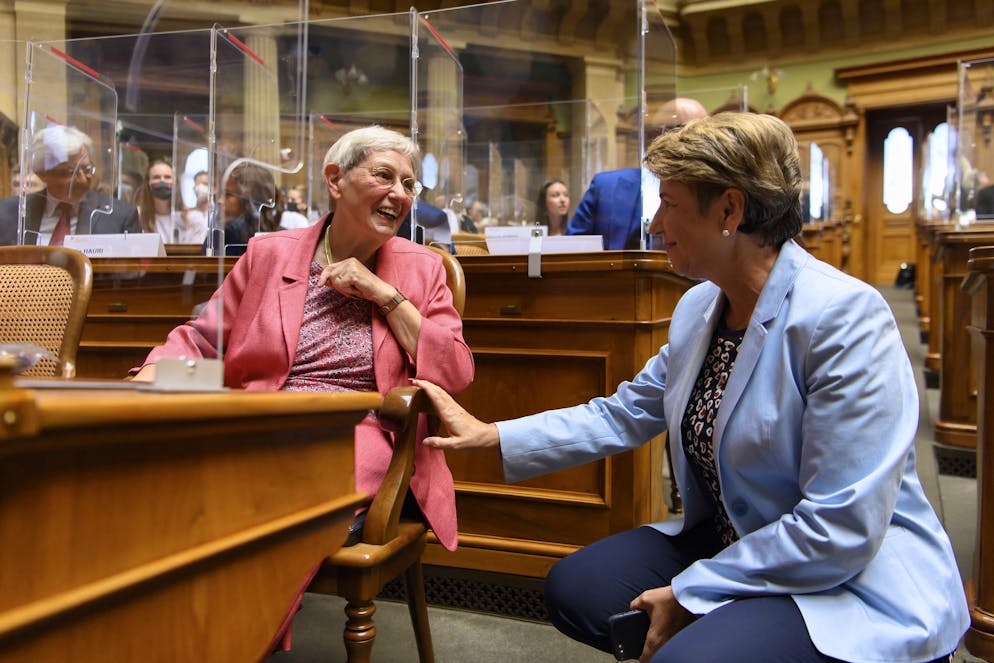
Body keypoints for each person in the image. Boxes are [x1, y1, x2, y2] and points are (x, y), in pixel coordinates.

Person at [413, 112, 968, 663]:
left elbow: (841, 528)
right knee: (578, 588)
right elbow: (622, 412)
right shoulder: (700, 306)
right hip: (738, 539)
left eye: (670, 204)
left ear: (730, 209)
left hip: (847, 573)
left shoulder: (846, 318)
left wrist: (691, 590)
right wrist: (490, 434)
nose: (654, 224)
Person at [132, 124, 473, 556]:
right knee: (165, 495)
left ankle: (243, 622)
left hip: (360, 431)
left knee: (266, 517)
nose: (401, 194)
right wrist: (154, 375)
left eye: (409, 184)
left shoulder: (423, 269)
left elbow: (456, 371)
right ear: (335, 180)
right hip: (259, 422)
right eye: (384, 176)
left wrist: (384, 295)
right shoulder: (268, 253)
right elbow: (202, 345)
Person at [567, 97, 708, 250]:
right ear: (656, 134)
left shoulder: (714, 192)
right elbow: (571, 256)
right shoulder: (605, 187)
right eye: (680, 129)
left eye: (703, 133)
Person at [0, 125, 139, 245]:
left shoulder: (120, 216)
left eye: (87, 170)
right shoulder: (8, 213)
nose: (82, 180)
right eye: (69, 173)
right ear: (42, 173)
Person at [207, 162, 284, 256]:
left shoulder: (280, 237)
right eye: (220, 194)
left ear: (252, 200)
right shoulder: (220, 235)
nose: (219, 201)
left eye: (228, 194)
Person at [137, 158, 207, 244]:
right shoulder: (138, 216)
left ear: (175, 183)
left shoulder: (194, 218)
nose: (162, 181)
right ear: (148, 183)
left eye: (167, 177)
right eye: (156, 177)